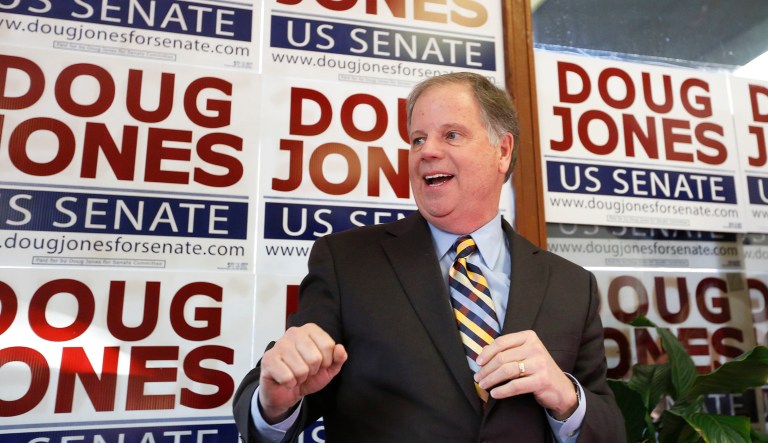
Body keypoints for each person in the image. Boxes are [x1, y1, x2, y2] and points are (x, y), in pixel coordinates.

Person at [233, 72, 625, 442]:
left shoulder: (572, 285)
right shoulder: (347, 262)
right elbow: (277, 398)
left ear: (502, 151)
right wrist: (274, 402)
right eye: (417, 139)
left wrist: (564, 397)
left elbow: (608, 428)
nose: (427, 152)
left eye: (451, 135)